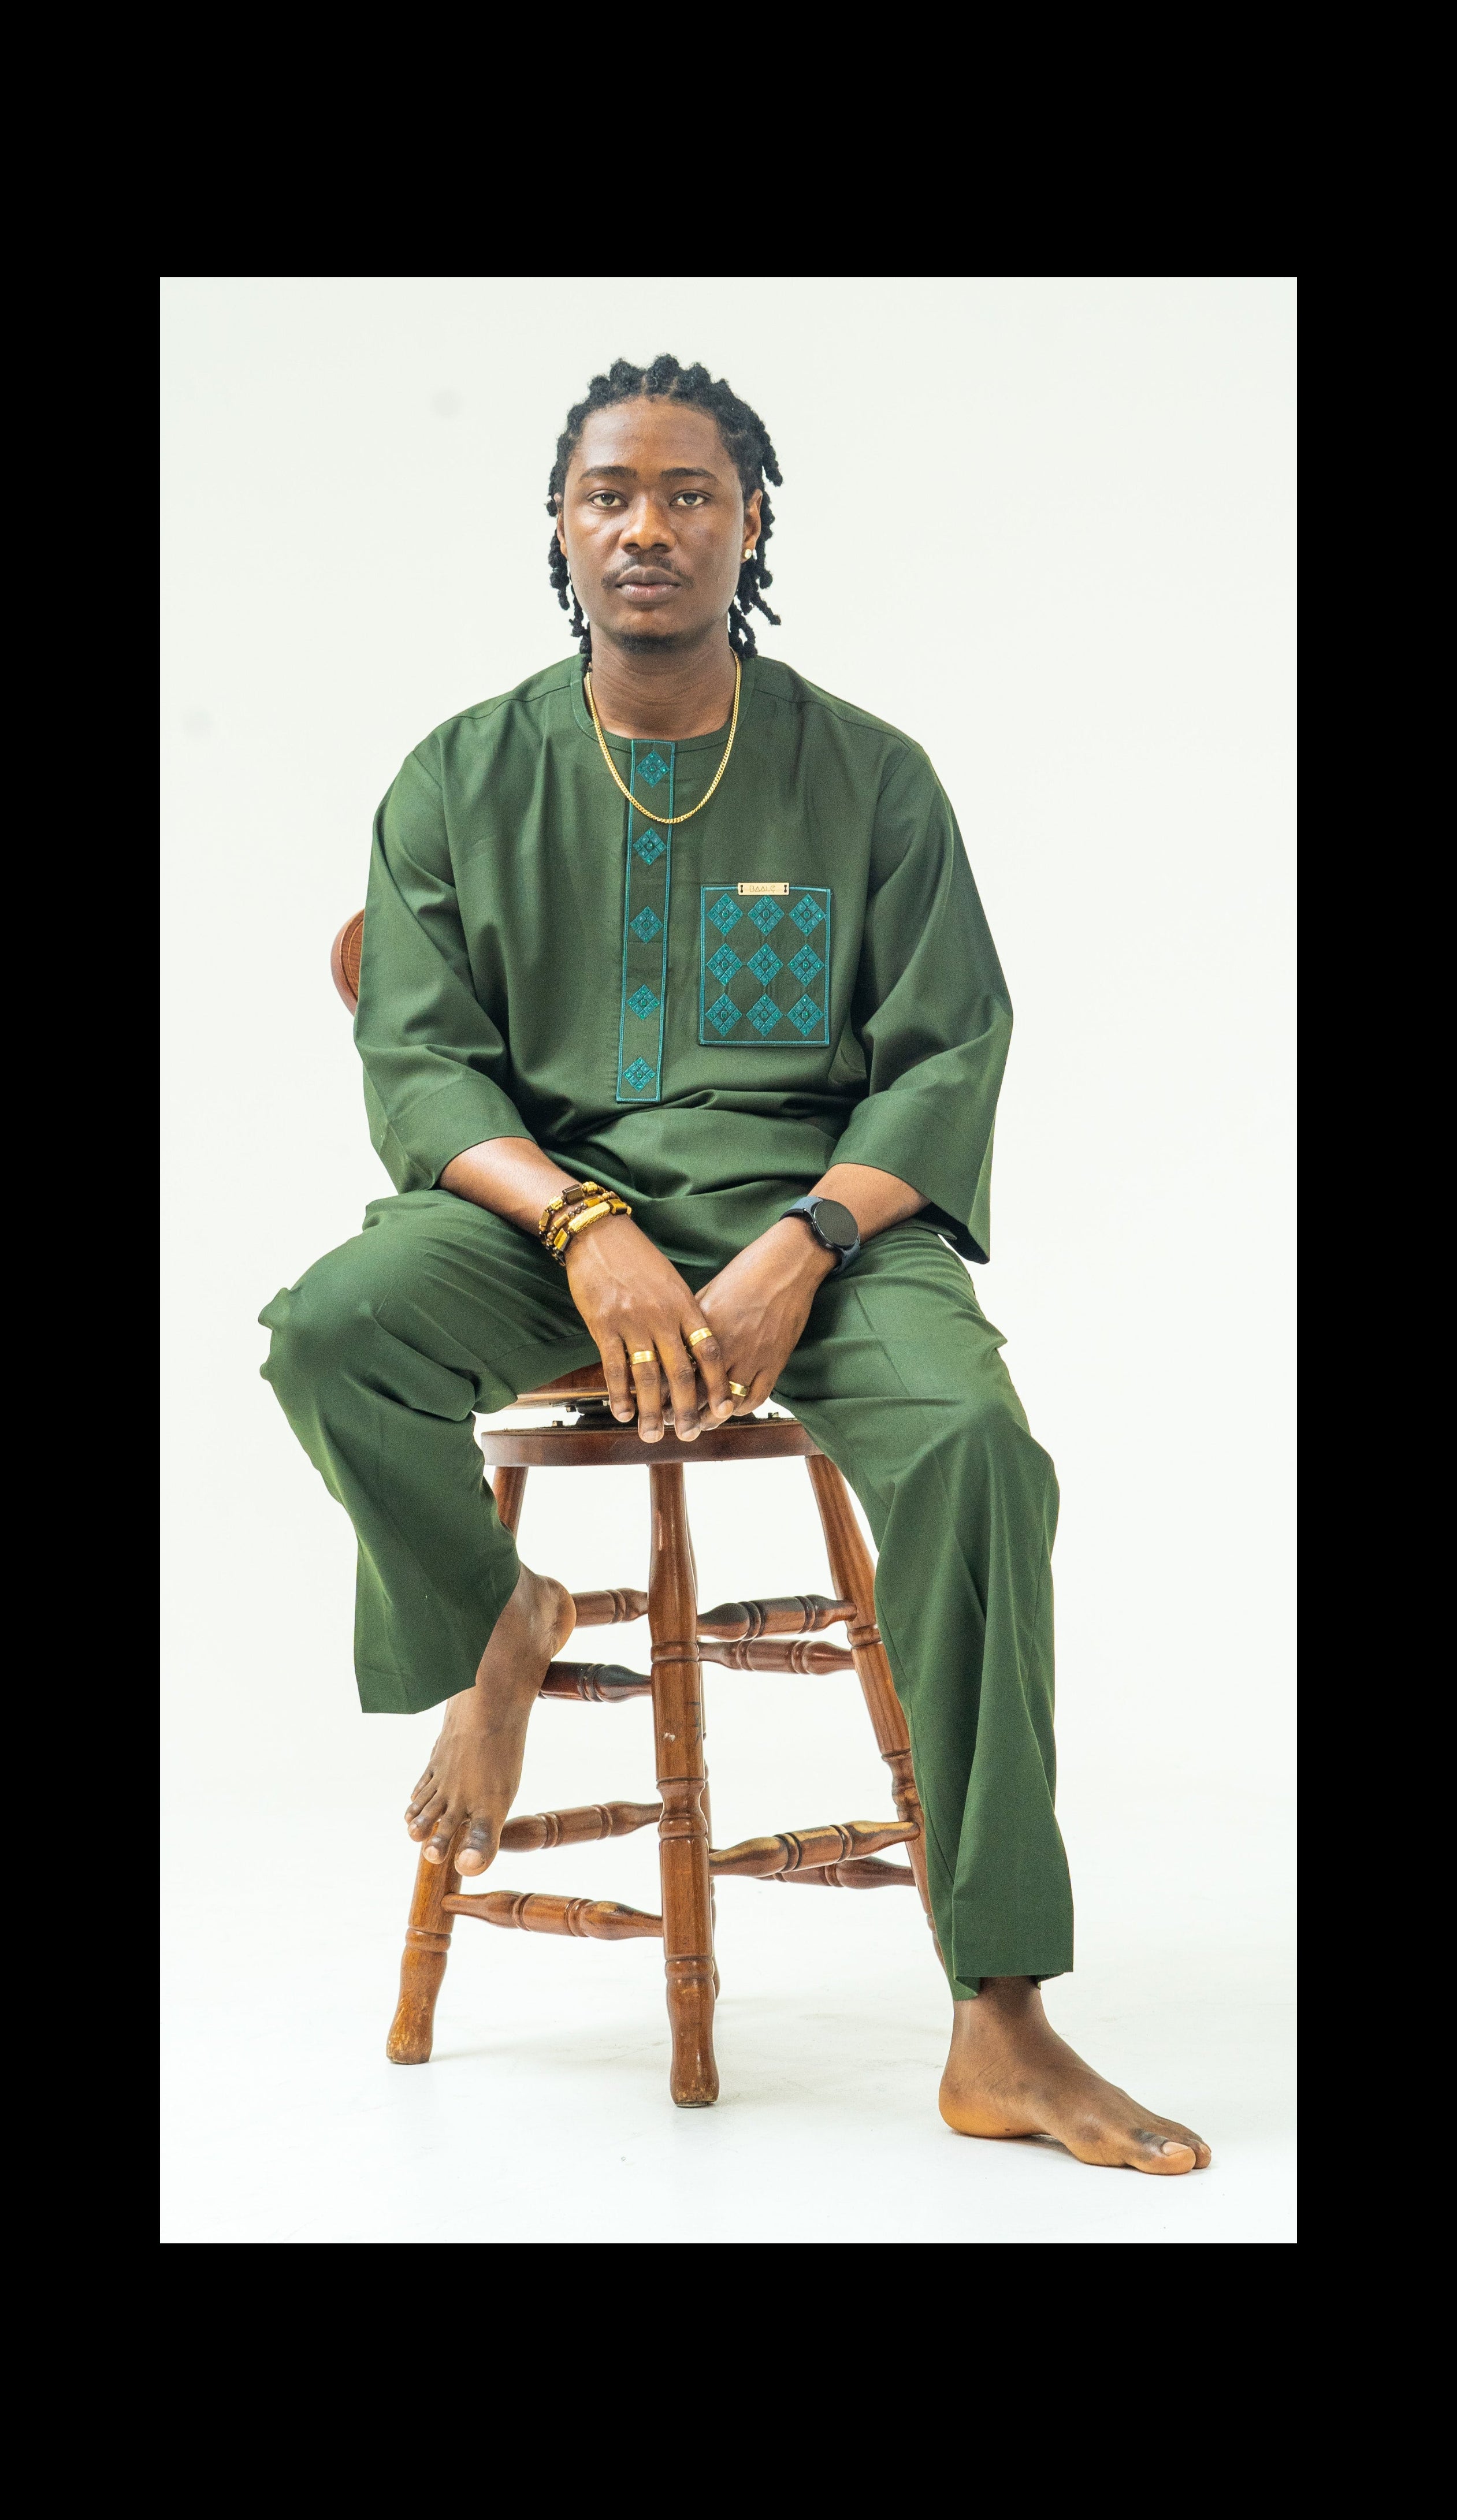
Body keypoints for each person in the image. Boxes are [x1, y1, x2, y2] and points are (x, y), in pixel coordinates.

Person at [262, 355, 1210, 2172]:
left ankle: (1000, 2017)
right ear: (556, 525)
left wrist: (805, 1243)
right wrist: (581, 1225)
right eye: (609, 491)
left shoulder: (870, 776)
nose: (647, 526)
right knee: (331, 1333)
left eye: (690, 493)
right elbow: (419, 1059)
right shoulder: (460, 775)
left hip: (826, 1224)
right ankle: (500, 1621)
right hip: (541, 1223)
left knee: (975, 1456)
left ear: (750, 523)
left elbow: (946, 1048)